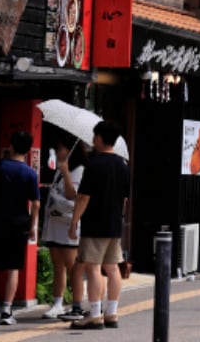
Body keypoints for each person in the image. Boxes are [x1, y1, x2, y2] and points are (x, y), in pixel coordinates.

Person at [69, 121, 130, 332]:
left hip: (94, 223)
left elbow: (84, 197)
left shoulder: (94, 165)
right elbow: (124, 199)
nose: (93, 140)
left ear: (100, 138)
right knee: (112, 268)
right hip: (114, 224)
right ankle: (111, 313)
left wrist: (74, 220)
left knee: (93, 266)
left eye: (95, 136)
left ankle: (94, 315)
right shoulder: (123, 165)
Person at [0, 129, 40, 325]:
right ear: (29, 150)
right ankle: (6, 310)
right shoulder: (30, 173)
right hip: (19, 222)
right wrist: (32, 226)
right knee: (13, 267)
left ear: (11, 146)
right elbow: (36, 203)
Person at [41, 144, 89, 320]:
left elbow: (72, 195)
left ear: (71, 152)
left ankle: (77, 305)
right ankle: (57, 304)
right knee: (58, 266)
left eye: (61, 149)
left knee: (73, 268)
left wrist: (67, 172)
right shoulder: (59, 170)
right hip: (55, 222)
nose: (59, 152)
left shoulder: (79, 170)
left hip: (69, 223)